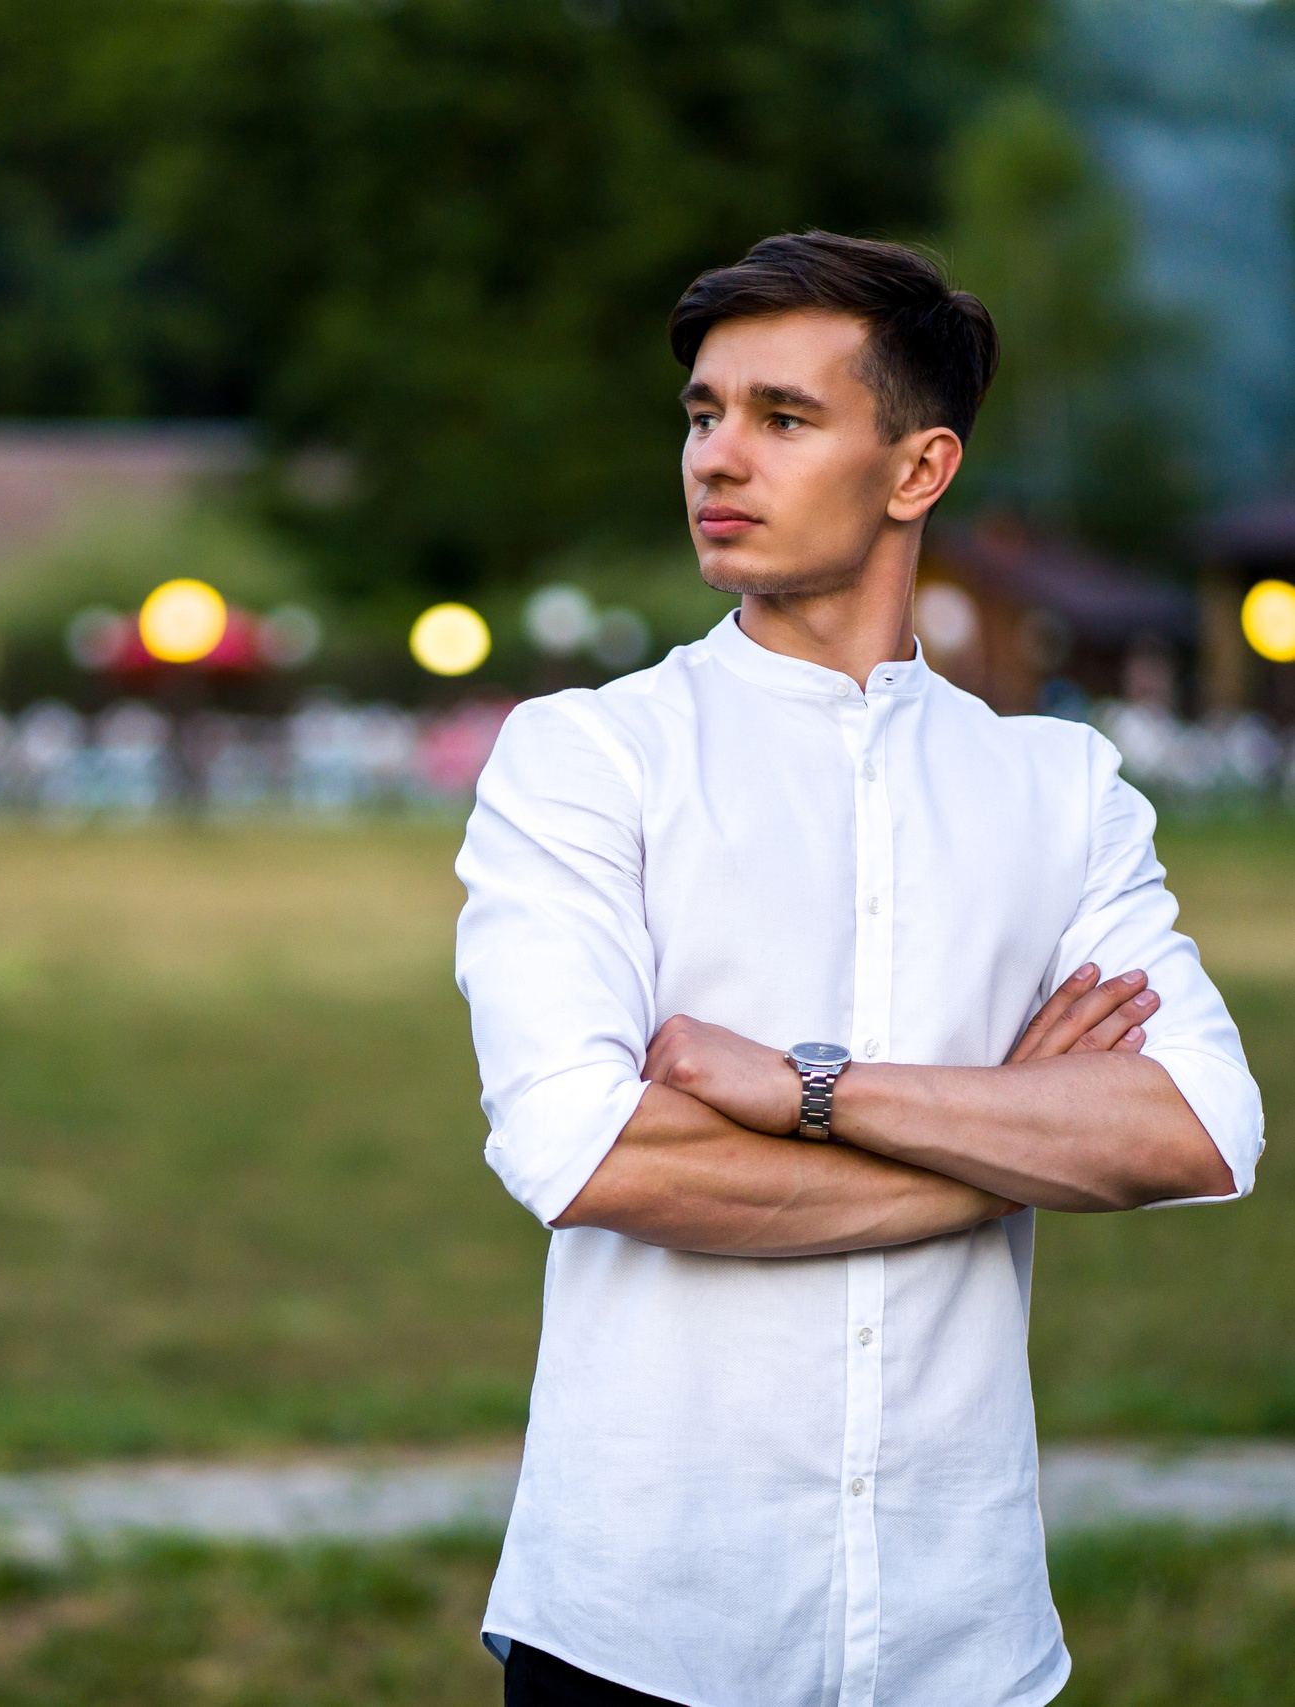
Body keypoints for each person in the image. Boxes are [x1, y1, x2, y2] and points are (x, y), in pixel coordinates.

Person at [454, 231, 1263, 1707]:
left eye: (781, 417)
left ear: (916, 471)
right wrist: (1010, 1136)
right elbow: (584, 1155)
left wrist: (803, 1088)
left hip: (964, 1640)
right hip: (645, 1629)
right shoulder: (587, 759)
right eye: (703, 413)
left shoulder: (1057, 788)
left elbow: (1198, 1129)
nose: (716, 458)